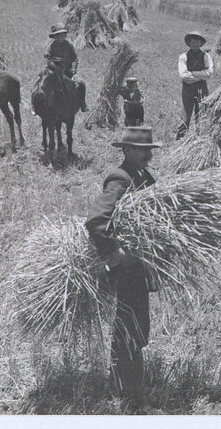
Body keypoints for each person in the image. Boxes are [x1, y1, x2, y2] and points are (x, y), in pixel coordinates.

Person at [84, 126, 161, 412]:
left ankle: (122, 383)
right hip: (126, 269)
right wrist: (117, 252)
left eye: (149, 150)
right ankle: (131, 395)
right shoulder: (120, 178)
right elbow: (96, 220)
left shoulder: (144, 176)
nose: (147, 155)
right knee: (129, 326)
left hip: (139, 266)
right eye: (142, 150)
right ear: (127, 150)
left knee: (137, 325)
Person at [178, 31, 213, 135]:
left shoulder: (206, 56)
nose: (195, 44)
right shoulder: (183, 57)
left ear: (201, 44)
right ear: (189, 43)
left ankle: (200, 140)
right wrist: (201, 77)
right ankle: (180, 140)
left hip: (202, 89)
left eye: (197, 42)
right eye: (193, 42)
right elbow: (183, 76)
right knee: (185, 116)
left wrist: (192, 73)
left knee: (202, 115)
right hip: (188, 90)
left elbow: (209, 73)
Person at [47, 25, 88, 111]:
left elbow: (75, 59)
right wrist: (54, 67)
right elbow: (48, 60)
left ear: (65, 36)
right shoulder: (51, 47)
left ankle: (82, 103)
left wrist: (73, 70)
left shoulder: (69, 46)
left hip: (68, 73)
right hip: (55, 73)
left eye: (62, 36)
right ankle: (39, 106)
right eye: (57, 36)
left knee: (81, 84)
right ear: (54, 37)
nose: (60, 38)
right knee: (43, 84)